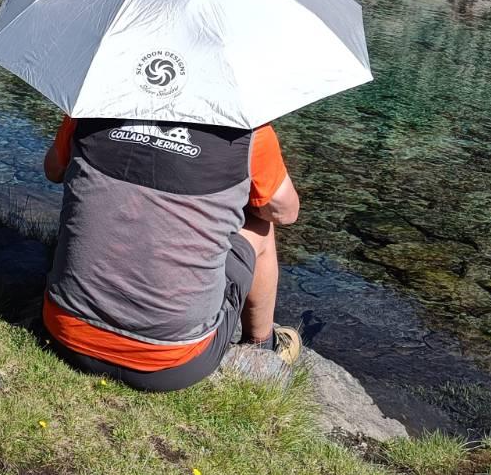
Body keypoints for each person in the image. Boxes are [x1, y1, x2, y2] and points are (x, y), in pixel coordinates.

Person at [39, 116, 303, 392]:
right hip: (173, 362)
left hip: (65, 331)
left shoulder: (94, 107)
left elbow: (53, 170)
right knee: (261, 226)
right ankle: (263, 344)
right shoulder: (249, 132)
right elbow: (285, 211)